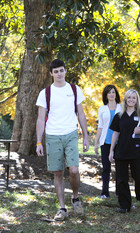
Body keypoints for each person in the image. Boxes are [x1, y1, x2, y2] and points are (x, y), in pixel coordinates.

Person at [36, 59, 89, 221]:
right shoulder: (45, 93)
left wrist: (86, 136)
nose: (59, 74)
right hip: (52, 135)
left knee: (73, 170)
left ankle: (75, 198)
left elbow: (81, 114)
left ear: (66, 71)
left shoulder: (74, 89)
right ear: (51, 73)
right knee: (58, 172)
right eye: (56, 71)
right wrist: (39, 141)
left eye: (61, 70)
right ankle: (62, 207)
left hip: (71, 133)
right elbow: (40, 119)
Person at [109, 89, 140, 213]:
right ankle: (125, 205)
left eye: (134, 98)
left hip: (136, 150)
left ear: (137, 100)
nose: (131, 100)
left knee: (138, 176)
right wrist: (111, 151)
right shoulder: (119, 115)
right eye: (129, 97)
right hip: (121, 150)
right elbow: (115, 134)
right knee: (121, 179)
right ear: (125, 99)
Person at [94, 85, 121, 198]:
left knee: (120, 168)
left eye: (113, 92)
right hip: (105, 141)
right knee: (106, 168)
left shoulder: (121, 107)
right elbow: (100, 127)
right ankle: (105, 192)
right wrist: (96, 143)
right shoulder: (102, 109)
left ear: (116, 94)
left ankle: (119, 192)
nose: (111, 94)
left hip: (119, 142)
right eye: (109, 92)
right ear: (106, 95)